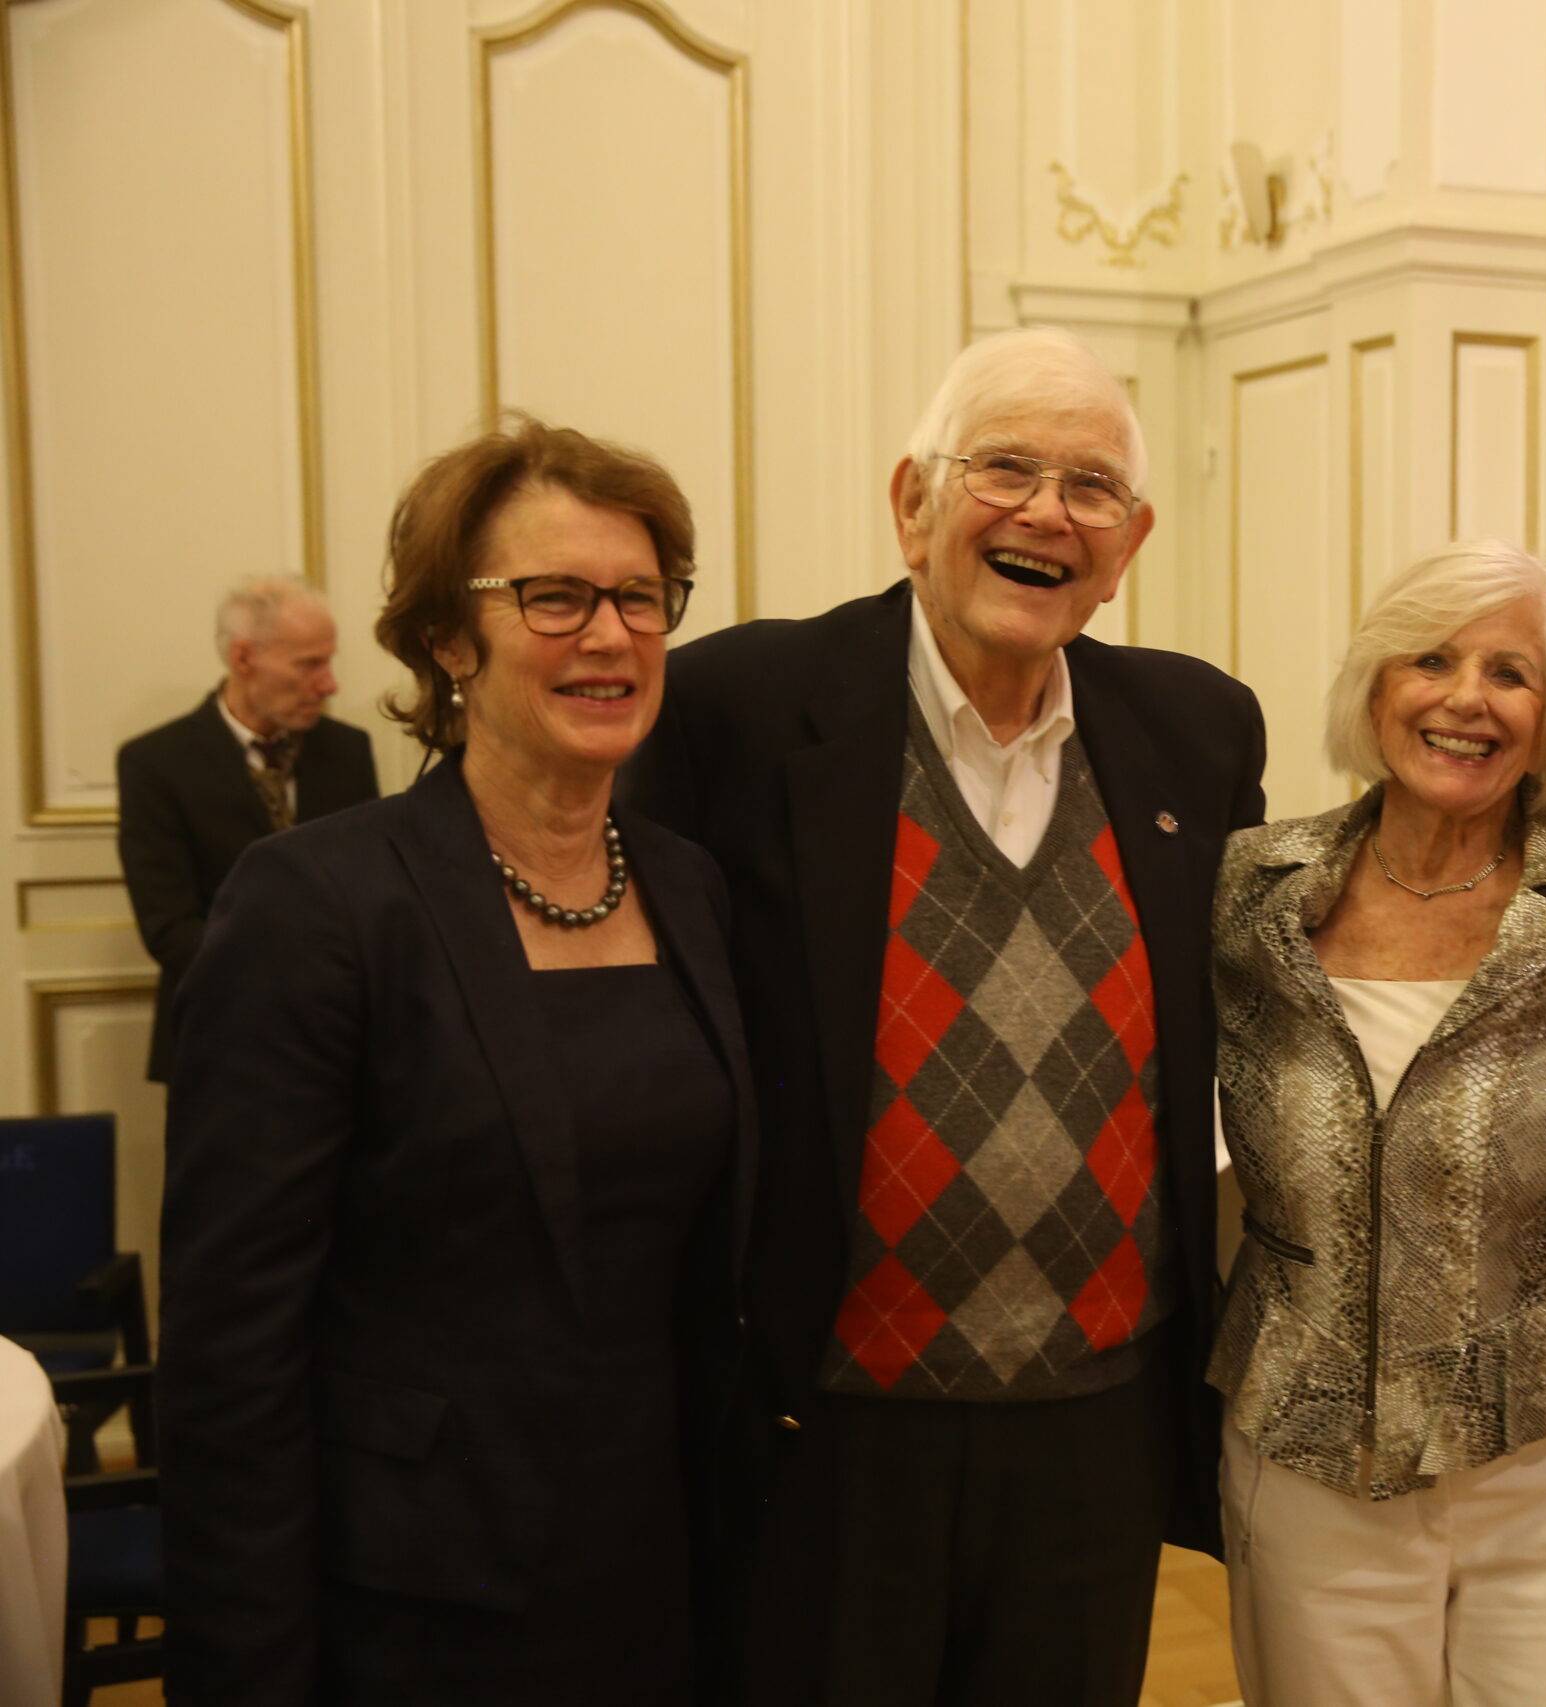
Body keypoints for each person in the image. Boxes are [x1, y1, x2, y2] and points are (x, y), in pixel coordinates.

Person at [621, 326, 1266, 1707]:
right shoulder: (737, 710)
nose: (1048, 513)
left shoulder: (1199, 732)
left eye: (1091, 487)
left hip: (1096, 1421)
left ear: (1131, 542)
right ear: (912, 501)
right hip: (826, 1420)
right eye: (1006, 469)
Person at [156, 419, 757, 1706]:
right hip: (416, 1594)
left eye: (641, 596)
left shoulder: (690, 887)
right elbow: (231, 1350)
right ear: (446, 638)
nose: (610, 635)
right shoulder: (316, 903)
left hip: (662, 1554)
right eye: (555, 597)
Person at [1209, 541, 1546, 1707]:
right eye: (1431, 660)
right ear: (1375, 689)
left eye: (1510, 673)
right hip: (1306, 1459)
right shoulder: (1250, 893)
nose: (1466, 698)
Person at [116, 576, 379, 1082]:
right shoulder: (156, 763)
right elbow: (169, 929)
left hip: (341, 1040)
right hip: (217, 1039)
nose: (330, 685)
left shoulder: (348, 750)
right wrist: (298, 980)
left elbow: (369, 892)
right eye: (309, 664)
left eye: (329, 662)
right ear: (243, 658)